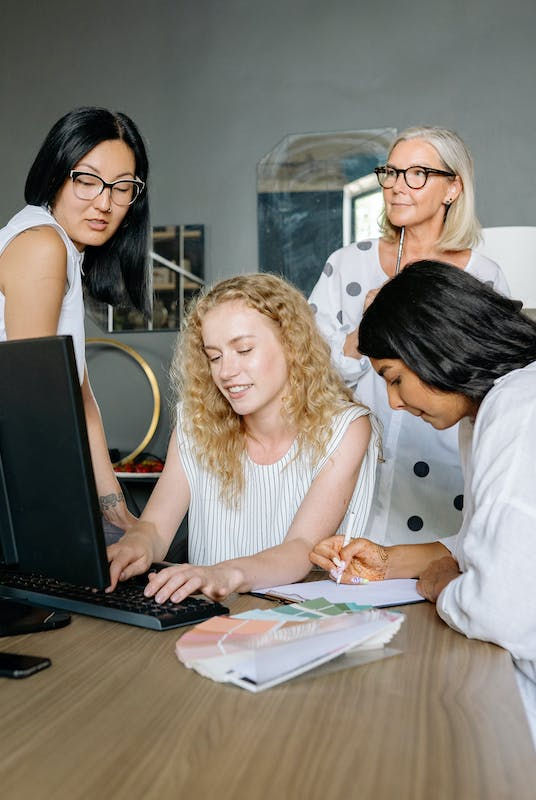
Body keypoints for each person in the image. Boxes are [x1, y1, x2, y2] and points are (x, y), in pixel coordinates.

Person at [310, 261, 536, 744]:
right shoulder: (490, 408)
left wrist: (442, 587)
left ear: (433, 346)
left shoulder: (519, 411)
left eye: (394, 378)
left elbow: (500, 609)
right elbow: (491, 540)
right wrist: (388, 560)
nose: (393, 402)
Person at [0, 106, 151, 531]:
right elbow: (33, 402)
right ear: (55, 176)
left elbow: (81, 399)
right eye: (87, 180)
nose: (104, 202)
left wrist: (116, 509)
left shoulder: (63, 250)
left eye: (122, 187)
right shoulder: (42, 245)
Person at [107, 272, 381, 602]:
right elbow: (155, 527)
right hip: (210, 619)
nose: (226, 372)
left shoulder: (346, 427)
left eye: (244, 349)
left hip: (301, 621)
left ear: (292, 344)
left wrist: (223, 574)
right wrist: (136, 543)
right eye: (215, 356)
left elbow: (302, 548)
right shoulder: (196, 423)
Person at [308, 126, 509, 546]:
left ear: (453, 188)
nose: (397, 186)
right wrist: (365, 330)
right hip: (353, 470)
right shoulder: (346, 265)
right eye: (391, 172)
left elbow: (494, 389)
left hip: (442, 479)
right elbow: (307, 375)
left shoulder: (481, 276)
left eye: (417, 174)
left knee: (431, 572)